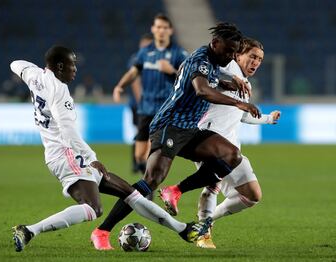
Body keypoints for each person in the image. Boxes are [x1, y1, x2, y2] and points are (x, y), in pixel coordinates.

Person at [9, 45, 212, 252]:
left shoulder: (34, 75)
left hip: (62, 153)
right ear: (60, 66)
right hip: (67, 155)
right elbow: (68, 132)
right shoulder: (59, 91)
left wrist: (30, 71)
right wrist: (91, 158)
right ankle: (29, 230)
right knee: (93, 208)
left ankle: (183, 230)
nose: (75, 70)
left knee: (130, 193)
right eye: (72, 65)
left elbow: (16, 64)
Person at [92, 22, 262, 250]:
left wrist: (228, 83)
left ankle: (176, 190)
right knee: (151, 180)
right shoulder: (200, 59)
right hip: (169, 125)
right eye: (228, 51)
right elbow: (202, 89)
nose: (231, 56)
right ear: (215, 43)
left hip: (190, 129)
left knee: (231, 155)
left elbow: (211, 81)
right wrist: (238, 102)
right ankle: (102, 231)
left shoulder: (214, 61)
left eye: (234, 52)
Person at [158, 37, 281, 248]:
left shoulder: (246, 84)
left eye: (259, 59)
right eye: (252, 56)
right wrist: (228, 78)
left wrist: (268, 118)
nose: (256, 63)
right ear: (237, 55)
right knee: (212, 186)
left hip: (231, 147)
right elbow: (197, 69)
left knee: (252, 195)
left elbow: (242, 114)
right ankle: (203, 233)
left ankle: (204, 223)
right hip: (208, 138)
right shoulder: (227, 66)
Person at [113, 13, 188, 176]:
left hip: (165, 111)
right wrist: (120, 86)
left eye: (165, 28)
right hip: (145, 108)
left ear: (170, 30)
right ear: (153, 29)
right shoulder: (145, 52)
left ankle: (148, 187)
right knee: (139, 155)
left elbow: (189, 80)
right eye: (158, 27)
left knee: (153, 151)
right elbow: (133, 72)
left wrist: (173, 71)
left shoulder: (179, 53)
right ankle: (147, 182)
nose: (161, 31)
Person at [126, 33, 154, 173]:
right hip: (141, 104)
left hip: (147, 103)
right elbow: (135, 82)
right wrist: (142, 103)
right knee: (143, 133)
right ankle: (139, 162)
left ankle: (138, 163)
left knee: (143, 133)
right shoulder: (137, 58)